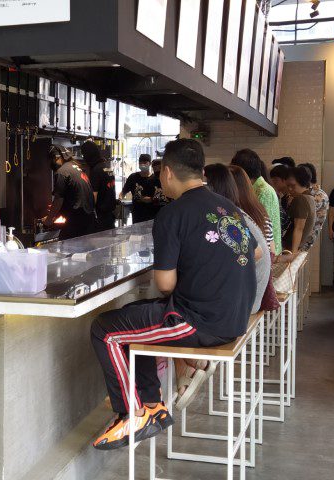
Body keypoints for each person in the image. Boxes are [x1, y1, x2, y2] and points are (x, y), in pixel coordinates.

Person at [90, 139, 259, 450]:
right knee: (137, 317)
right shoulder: (228, 207)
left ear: (166, 172)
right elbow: (257, 252)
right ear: (202, 172)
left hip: (201, 322)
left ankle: (133, 413)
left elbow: (166, 284)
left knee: (106, 330)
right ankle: (152, 406)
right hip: (234, 318)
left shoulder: (173, 214)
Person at [206, 164, 270, 314]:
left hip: (246, 303)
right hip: (250, 298)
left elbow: (256, 253)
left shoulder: (227, 218)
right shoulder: (233, 212)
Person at [231, 149, 282, 256]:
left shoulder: (263, 191)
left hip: (268, 253)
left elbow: (262, 228)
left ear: (242, 172)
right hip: (265, 251)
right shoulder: (257, 188)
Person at [44, 145, 96, 240]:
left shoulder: (62, 171)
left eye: (51, 160)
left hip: (77, 221)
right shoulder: (75, 167)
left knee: (67, 248)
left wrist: (49, 219)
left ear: (56, 158)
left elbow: (58, 199)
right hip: (88, 219)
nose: (51, 164)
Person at [82, 140, 116, 232]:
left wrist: (86, 213)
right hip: (110, 217)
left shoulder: (96, 170)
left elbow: (94, 196)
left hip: (100, 218)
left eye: (84, 155)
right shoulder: (108, 168)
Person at [283, 167, 316, 254]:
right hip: (298, 247)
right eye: (288, 186)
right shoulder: (310, 197)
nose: (289, 189)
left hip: (289, 248)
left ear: (303, 182)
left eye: (293, 186)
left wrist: (293, 253)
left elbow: (299, 228)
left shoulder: (300, 199)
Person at [297, 162, 329, 250]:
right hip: (304, 238)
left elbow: (302, 215)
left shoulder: (318, 195)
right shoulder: (315, 193)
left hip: (304, 239)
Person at [121, 154, 157, 223]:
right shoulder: (133, 177)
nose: (142, 164)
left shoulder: (155, 179)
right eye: (140, 163)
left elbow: (161, 197)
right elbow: (124, 191)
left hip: (151, 215)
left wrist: (151, 199)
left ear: (150, 164)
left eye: (145, 162)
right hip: (137, 214)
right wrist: (120, 198)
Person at [270, 165, 293, 239]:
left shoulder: (291, 197)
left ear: (284, 180)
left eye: (275, 180)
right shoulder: (281, 196)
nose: (272, 183)